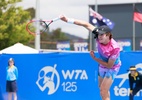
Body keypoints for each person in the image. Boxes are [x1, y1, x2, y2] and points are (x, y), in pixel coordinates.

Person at [60, 15, 121, 100]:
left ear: (108, 35)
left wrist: (95, 59)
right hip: (102, 64)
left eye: (102, 35)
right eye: (98, 34)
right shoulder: (98, 35)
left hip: (112, 67)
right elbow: (85, 24)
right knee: (102, 89)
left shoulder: (115, 48)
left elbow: (109, 65)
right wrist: (67, 20)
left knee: (103, 90)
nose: (99, 36)